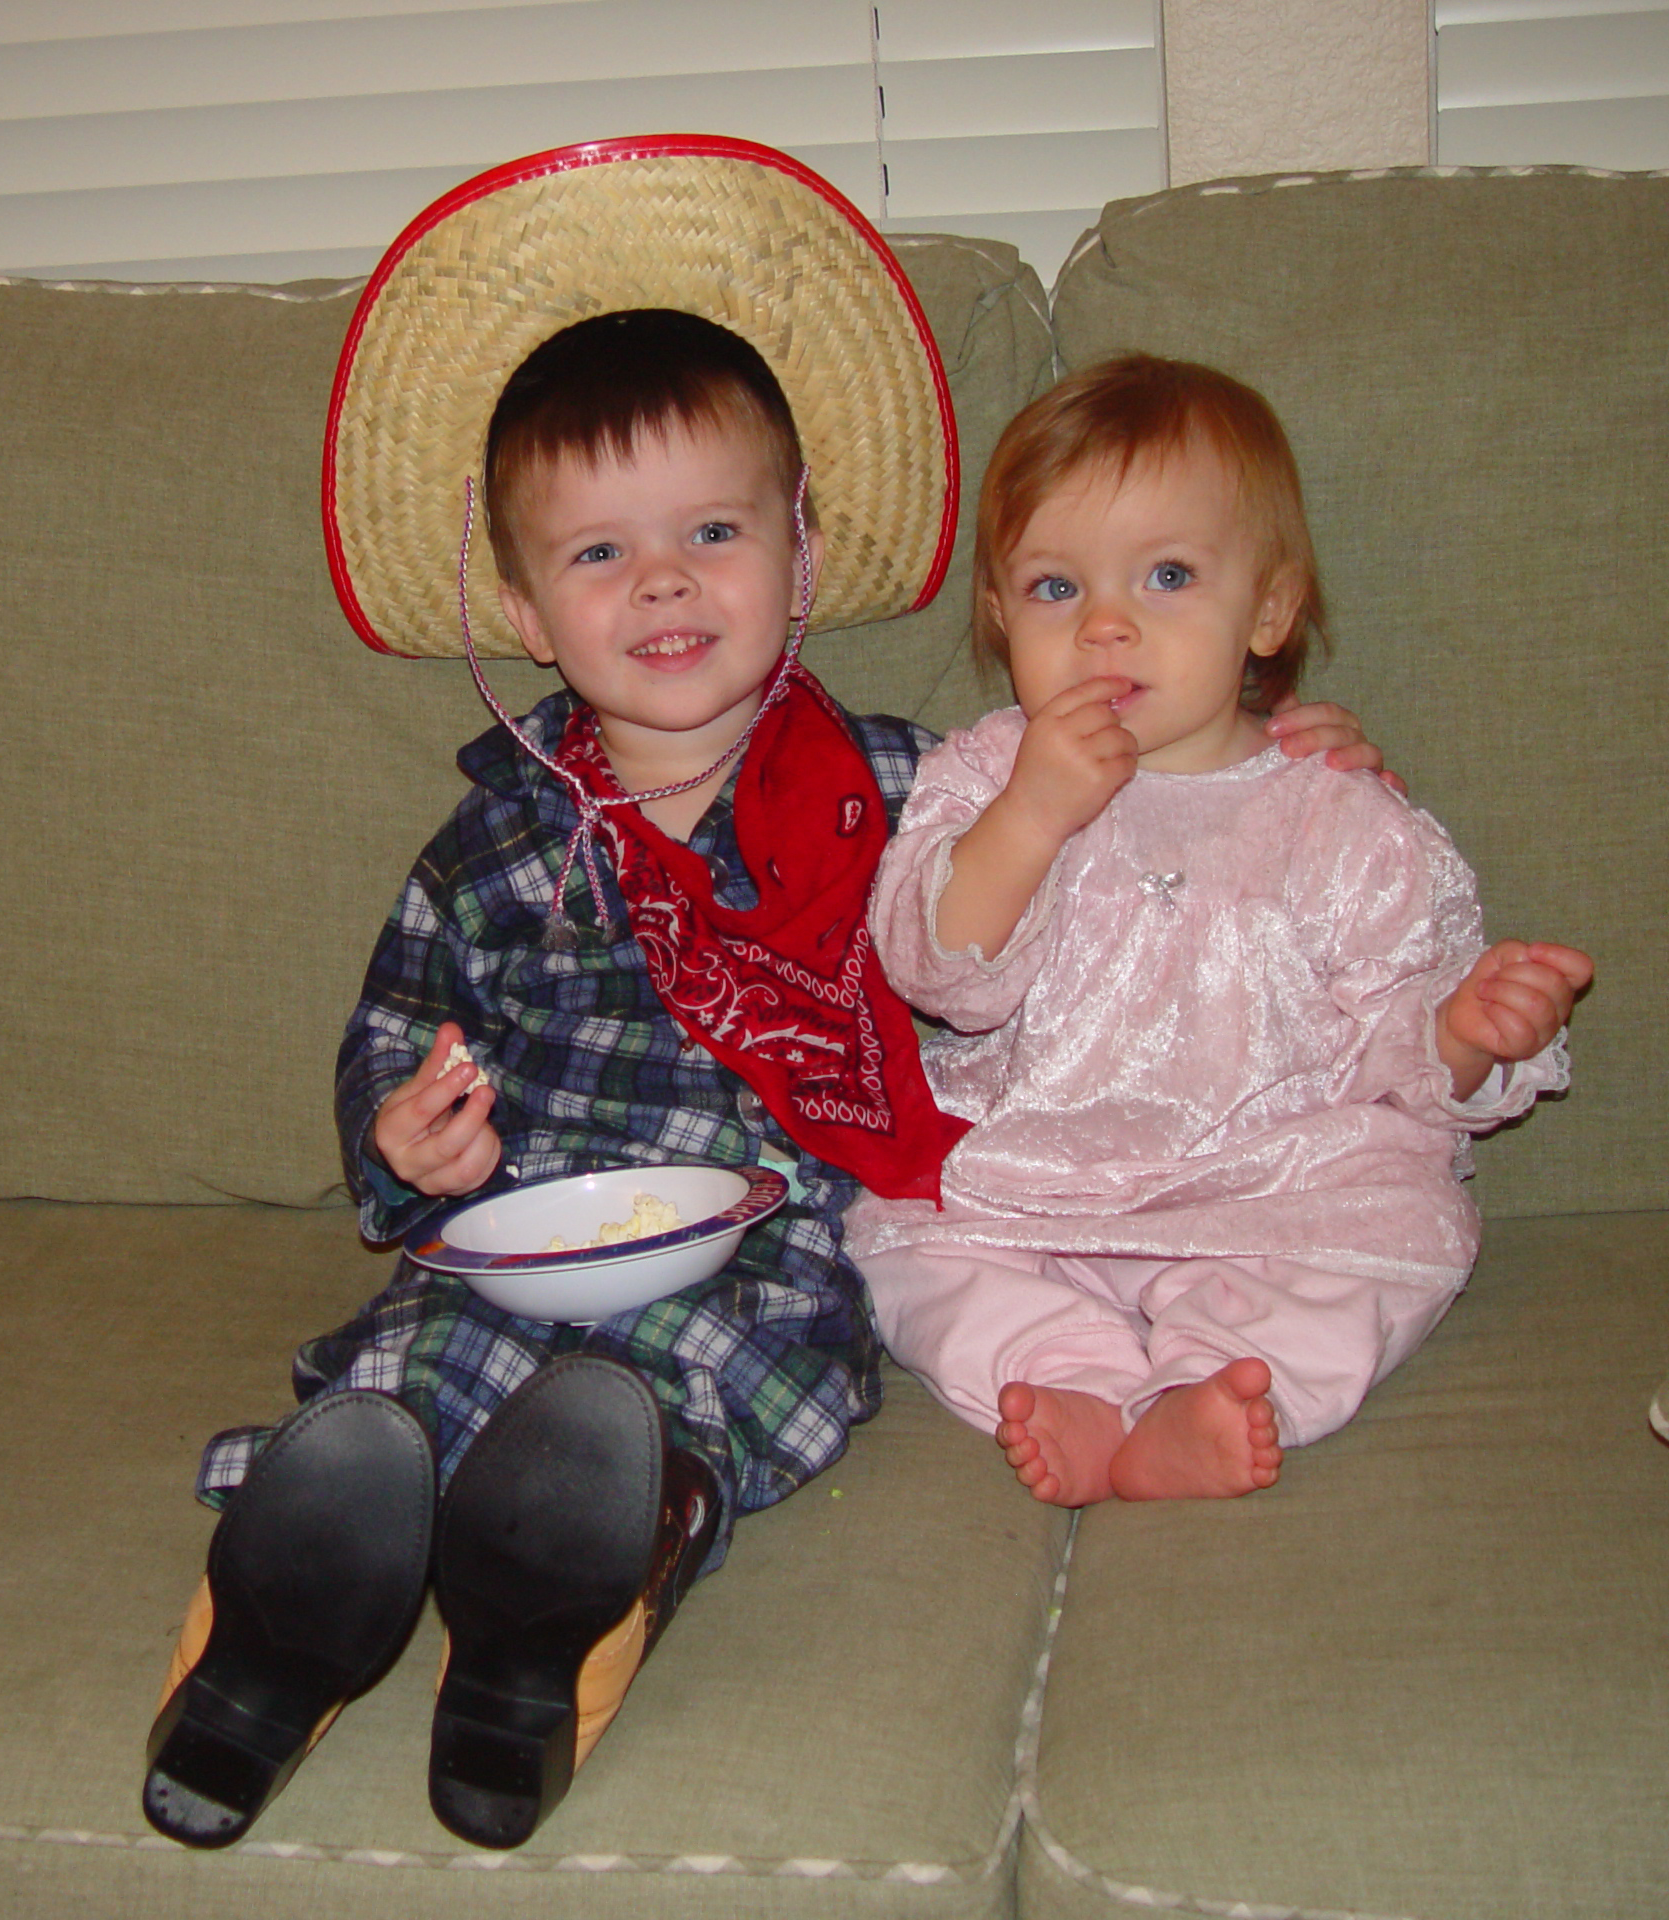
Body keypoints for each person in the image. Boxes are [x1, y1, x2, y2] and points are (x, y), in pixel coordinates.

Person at [142, 143, 1385, 1855]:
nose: (662, 583)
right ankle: (270, 1632)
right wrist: (406, 1136)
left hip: (769, 1225)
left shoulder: (918, 779)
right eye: (599, 554)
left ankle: (550, 1625)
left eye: (711, 533)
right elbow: (400, 1018)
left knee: (675, 1385)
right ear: (522, 608)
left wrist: (1259, 760)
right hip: (523, 1218)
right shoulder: (495, 842)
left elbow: (1091, 883)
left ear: (800, 558)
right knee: (412, 1373)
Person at [845, 352, 1591, 1510]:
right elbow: (937, 972)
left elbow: (1391, 1044)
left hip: (1277, 1189)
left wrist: (1466, 1029)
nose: (1105, 627)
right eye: (1054, 589)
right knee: (901, 1241)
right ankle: (1071, 1384)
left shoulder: (1333, 808)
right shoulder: (985, 771)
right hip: (1035, 1179)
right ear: (997, 613)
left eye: (1168, 576)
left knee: (1408, 1232)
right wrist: (1030, 816)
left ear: (1270, 610)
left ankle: (1215, 1396)